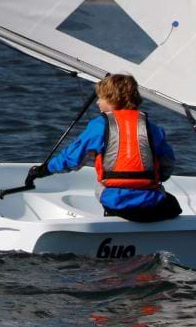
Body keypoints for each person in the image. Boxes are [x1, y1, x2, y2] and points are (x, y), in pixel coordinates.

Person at [27, 72, 180, 222]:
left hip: (115, 202)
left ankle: (111, 224)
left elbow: (71, 159)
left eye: (101, 97)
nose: (97, 102)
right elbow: (167, 164)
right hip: (151, 202)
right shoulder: (152, 128)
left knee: (103, 182)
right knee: (173, 204)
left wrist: (43, 170)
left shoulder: (99, 126)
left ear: (113, 99)